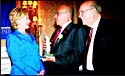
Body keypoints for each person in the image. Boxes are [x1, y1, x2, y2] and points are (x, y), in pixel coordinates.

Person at [78, 0, 125, 75]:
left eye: (82, 12)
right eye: (79, 13)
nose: (79, 16)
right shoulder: (85, 31)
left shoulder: (112, 28)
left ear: (93, 11)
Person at [42, 4, 87, 75]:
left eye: (57, 14)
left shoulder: (78, 30)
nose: (55, 16)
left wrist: (56, 59)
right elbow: (55, 52)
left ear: (67, 15)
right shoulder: (56, 32)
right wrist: (48, 48)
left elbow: (78, 57)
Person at [6, 7, 45, 75]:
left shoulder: (31, 36)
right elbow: (17, 61)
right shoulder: (12, 38)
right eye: (27, 18)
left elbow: (37, 55)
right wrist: (33, 74)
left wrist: (42, 69)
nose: (29, 21)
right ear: (18, 20)